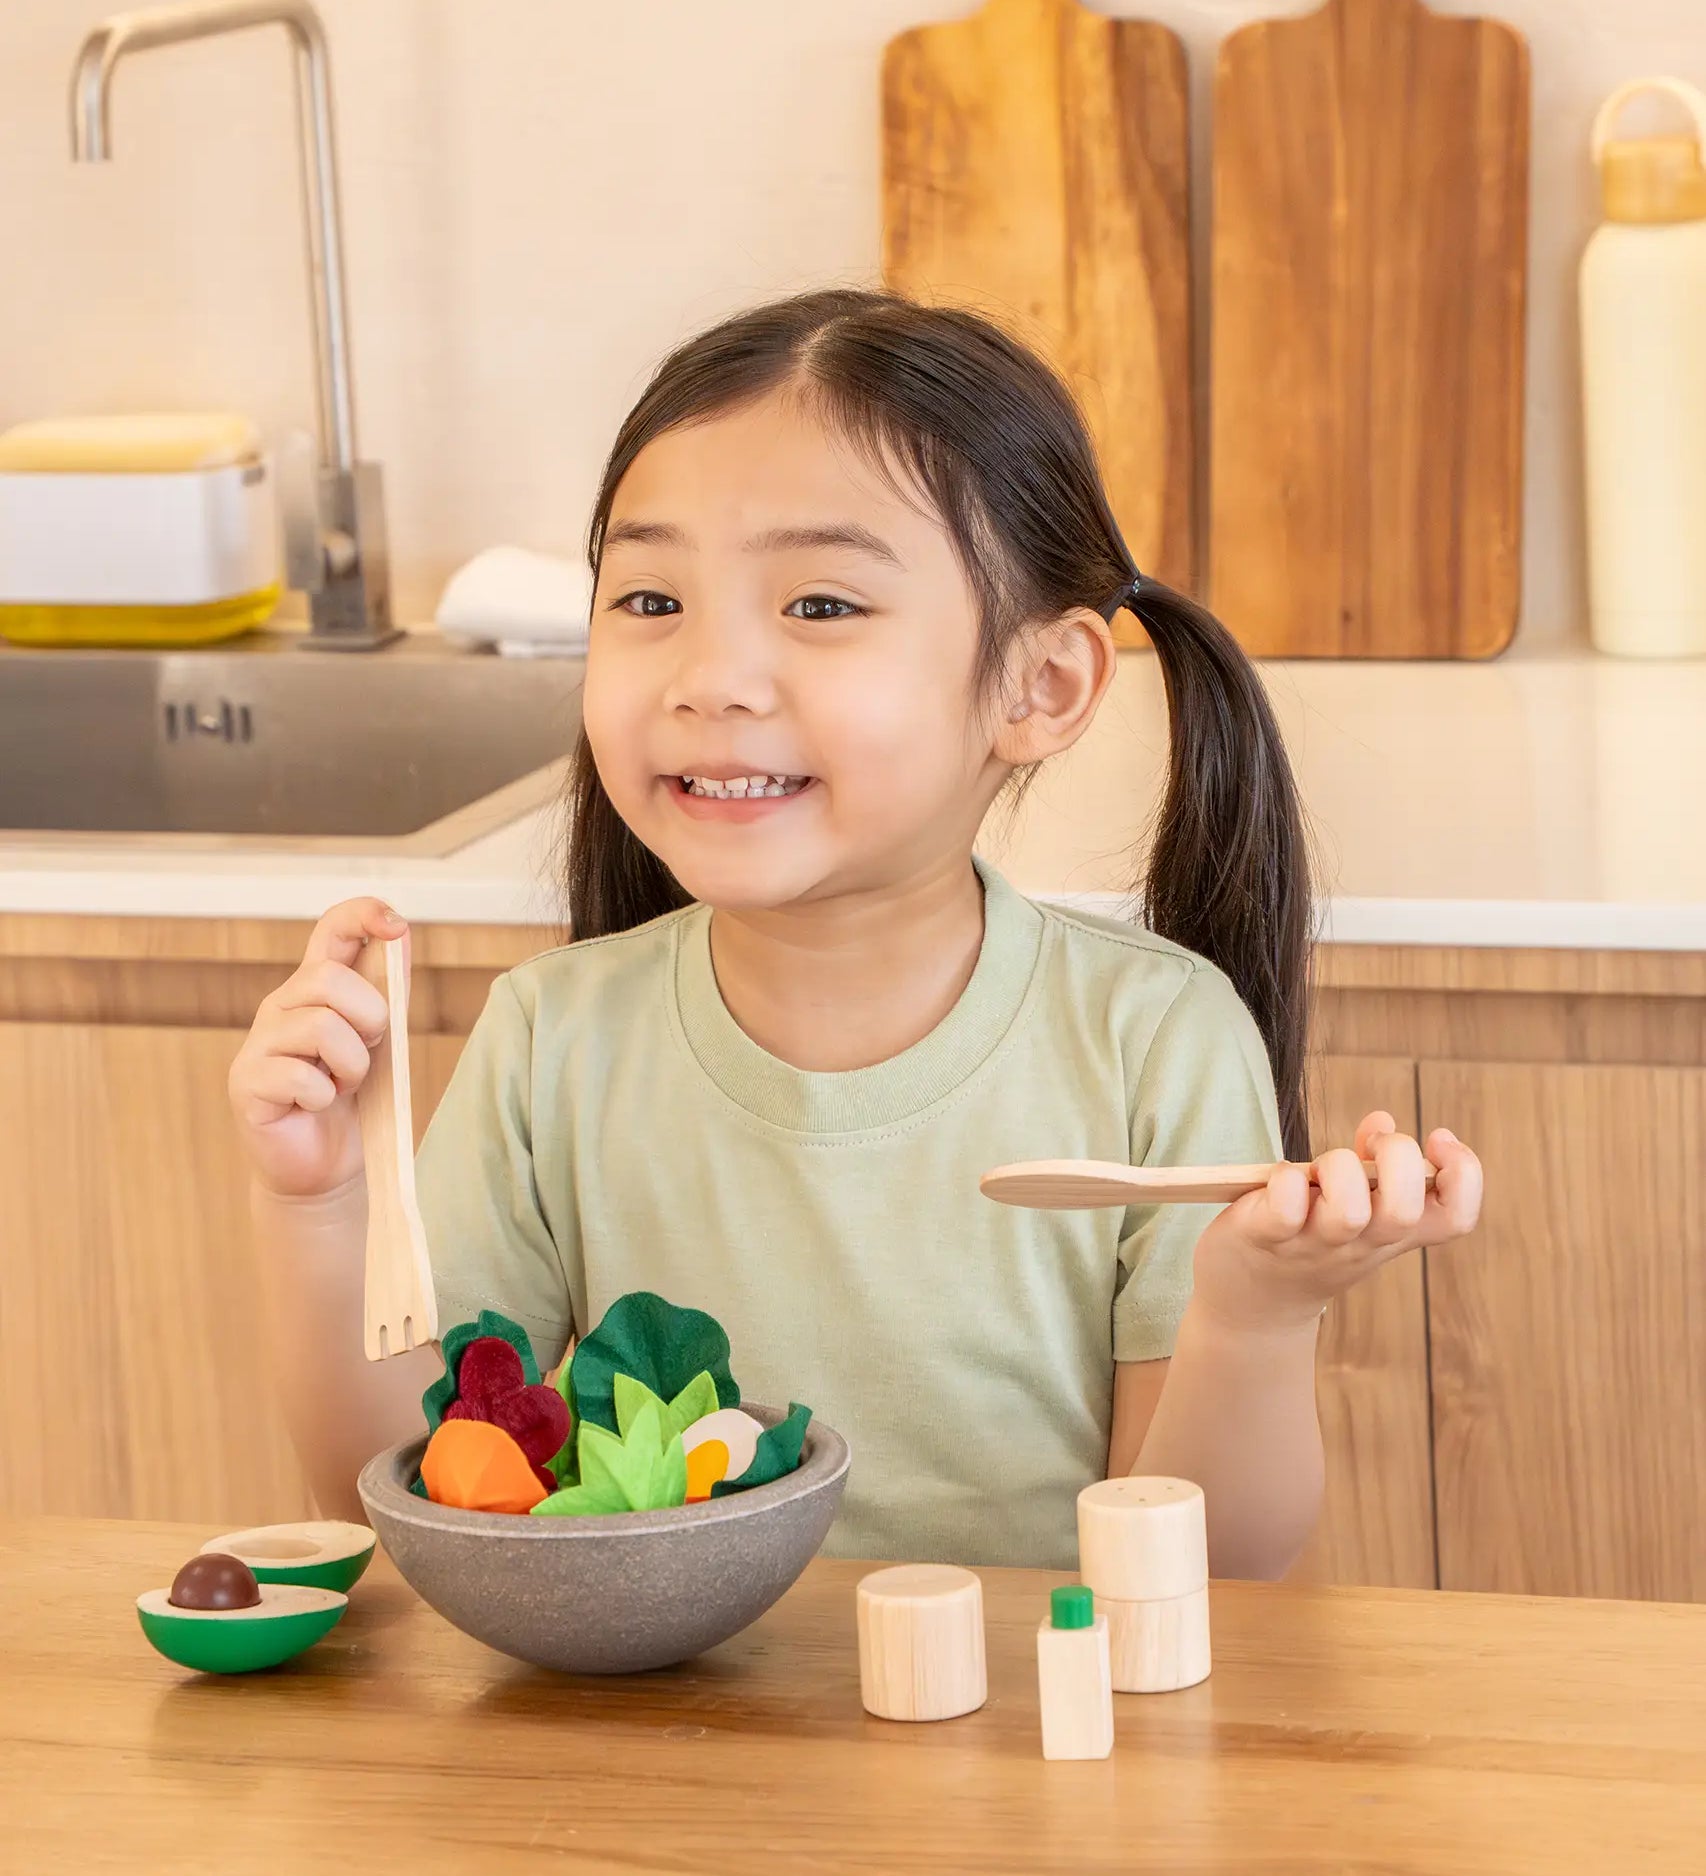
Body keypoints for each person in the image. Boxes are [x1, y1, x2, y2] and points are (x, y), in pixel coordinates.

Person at [229, 289, 1481, 1573]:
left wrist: (1255, 1312)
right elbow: (396, 1505)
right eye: (649, 600)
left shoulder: (1153, 1037)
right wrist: (319, 1202)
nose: (708, 678)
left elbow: (1216, 1568)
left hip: (1024, 1702)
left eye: (820, 606)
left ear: (1040, 686)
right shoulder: (550, 1038)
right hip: (656, 1706)